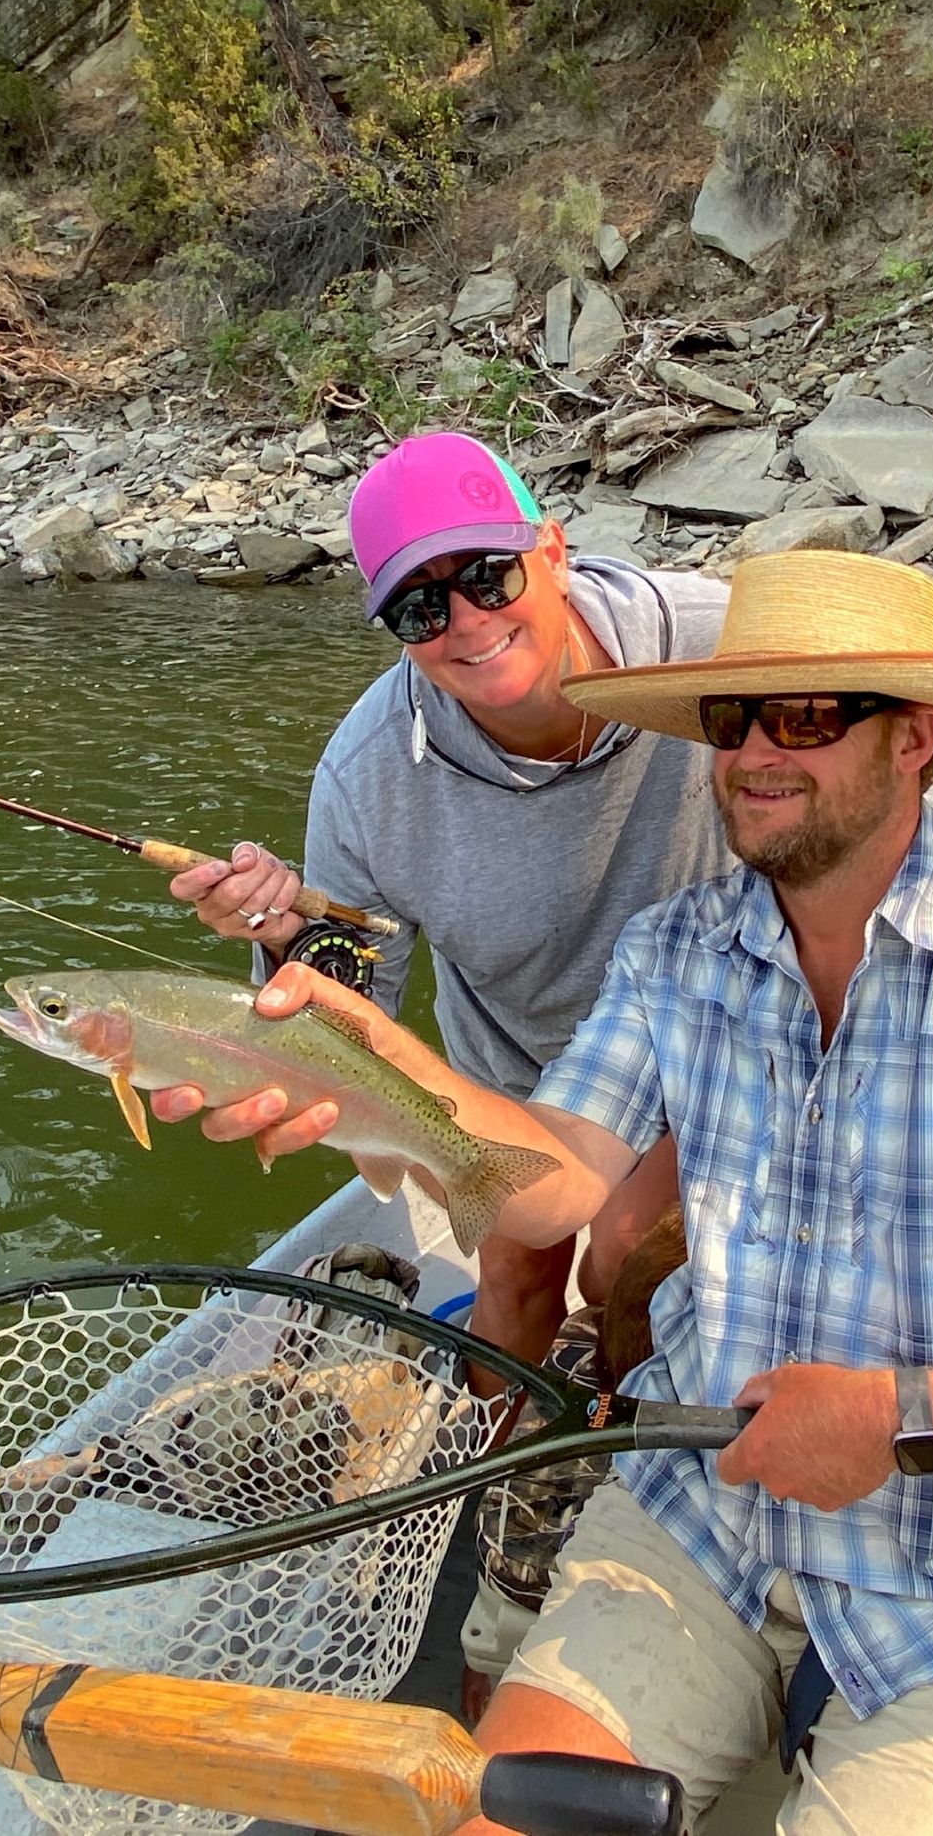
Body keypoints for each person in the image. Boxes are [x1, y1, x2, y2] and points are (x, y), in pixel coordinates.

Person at [158, 548, 933, 1836]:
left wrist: (899, 1415)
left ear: (916, 738)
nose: (760, 753)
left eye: (811, 718)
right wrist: (374, 1066)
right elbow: (544, 1190)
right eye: (732, 720)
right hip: (693, 1526)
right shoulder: (677, 953)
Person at [169, 429, 730, 1359]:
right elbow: (345, 1003)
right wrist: (283, 944)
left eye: (488, 576)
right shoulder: (365, 777)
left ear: (551, 549)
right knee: (512, 1269)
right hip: (524, 1069)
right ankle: (502, 1478)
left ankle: (628, 1449)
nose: (465, 621)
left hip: (727, 1036)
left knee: (624, 1260)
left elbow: (875, 768)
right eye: (420, 608)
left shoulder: (720, 643)